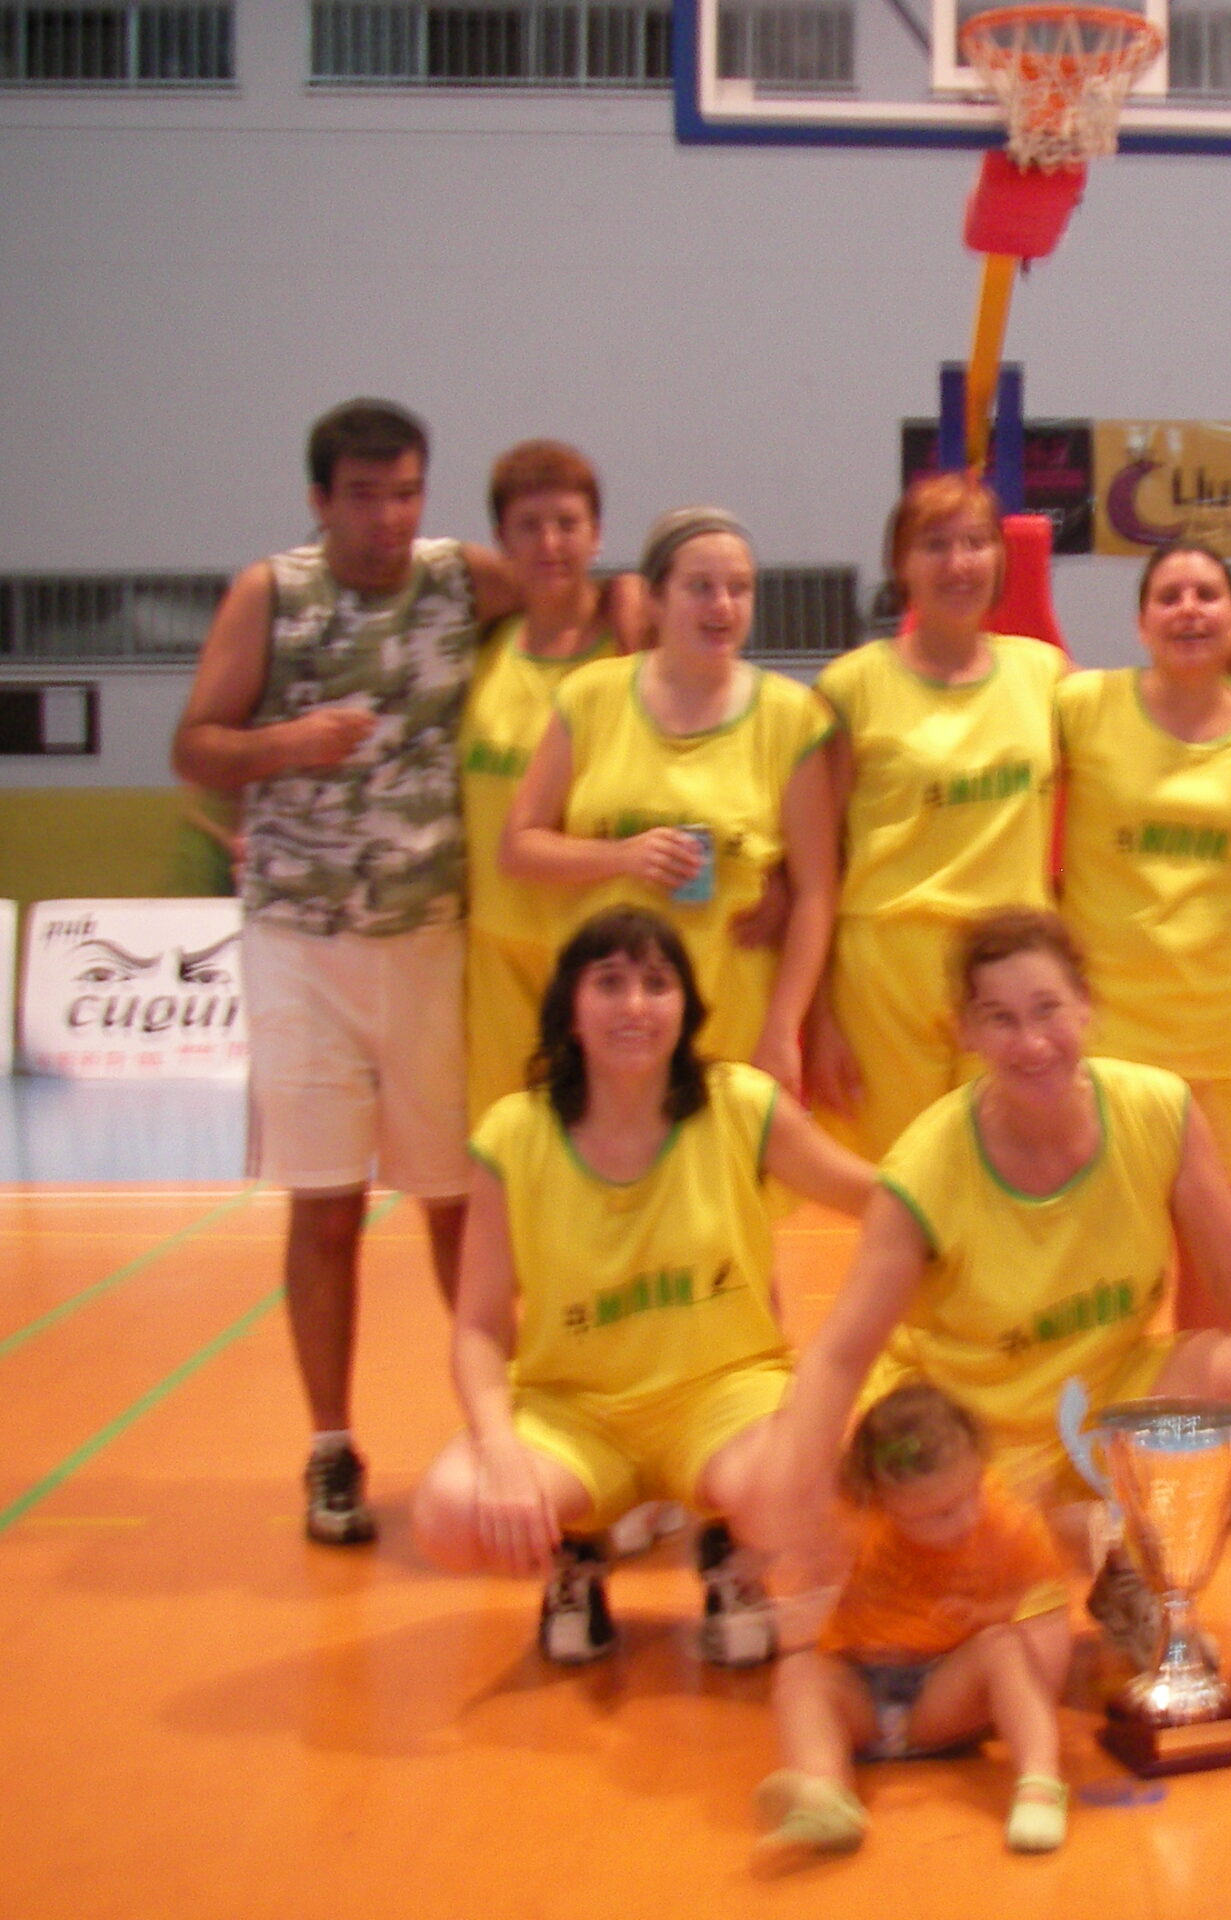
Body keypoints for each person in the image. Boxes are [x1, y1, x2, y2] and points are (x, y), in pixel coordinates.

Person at [172, 398, 537, 1545]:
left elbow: (573, 600)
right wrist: (284, 744)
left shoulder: (460, 580)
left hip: (432, 940)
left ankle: (505, 1432)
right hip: (301, 943)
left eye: (407, 492)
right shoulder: (271, 595)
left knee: (456, 1207)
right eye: (366, 496)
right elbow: (193, 745)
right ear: (321, 500)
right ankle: (331, 1448)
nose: (389, 517)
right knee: (325, 1209)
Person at [765, 910, 1231, 1655]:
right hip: (970, 1437)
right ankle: (1046, 1541)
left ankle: (1131, 1564)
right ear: (966, 1032)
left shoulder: (1158, 1111)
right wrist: (796, 1494)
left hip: (1098, 1409)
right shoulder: (926, 1169)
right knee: (962, 1639)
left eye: (1048, 1010)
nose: (1033, 1041)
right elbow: (838, 1356)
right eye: (1001, 1019)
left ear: (1087, 1007)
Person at [410, 907, 877, 1665]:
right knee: (449, 1514)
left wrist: (983, 1170)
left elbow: (875, 1197)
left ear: (685, 1008)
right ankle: (577, 1551)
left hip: (724, 1397)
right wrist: (498, 1447)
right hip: (574, 1413)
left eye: (657, 984)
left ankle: (733, 1556)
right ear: (569, 1010)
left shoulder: (739, 1104)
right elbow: (479, 1327)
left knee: (821, 1481)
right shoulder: (515, 1134)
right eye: (610, 983)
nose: (635, 1005)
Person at [504, 508, 838, 1094]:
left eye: (739, 589)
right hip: (606, 1021)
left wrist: (784, 1027)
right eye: (700, 587)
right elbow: (519, 848)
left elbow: (816, 891)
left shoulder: (792, 717)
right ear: (656, 599)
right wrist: (622, 856)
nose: (722, 606)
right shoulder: (589, 697)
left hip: (731, 1017)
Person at [811, 473, 1066, 1158]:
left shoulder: (1046, 675)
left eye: (976, 543)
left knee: (1008, 1179)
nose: (958, 563)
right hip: (889, 973)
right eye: (935, 545)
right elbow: (815, 863)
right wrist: (819, 1014)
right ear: (901, 565)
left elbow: (1153, 714)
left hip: (1012, 969)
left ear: (1001, 559)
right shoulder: (850, 686)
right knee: (899, 1184)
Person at [1053, 540, 1231, 1200]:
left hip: (1229, 1019)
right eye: (1169, 597)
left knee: (1222, 1240)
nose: (1189, 609)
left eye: (1207, 595)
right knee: (1111, 1232)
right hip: (1110, 1021)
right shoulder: (1082, 706)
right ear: (1141, 625)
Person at [756, 1383, 1072, 1862]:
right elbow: (792, 1572)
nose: (965, 1518)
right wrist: (803, 1578)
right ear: (879, 1501)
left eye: (971, 1492)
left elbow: (1041, 1590)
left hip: (941, 1697)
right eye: (937, 1515)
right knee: (799, 1674)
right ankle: (826, 1794)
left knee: (1004, 1646)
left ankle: (1040, 1785)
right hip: (860, 1693)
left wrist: (986, 1614)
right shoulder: (853, 1522)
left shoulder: (1003, 1518)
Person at [460, 440, 621, 1126]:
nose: (550, 544)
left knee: (604, 1148)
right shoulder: (478, 649)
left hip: (598, 947)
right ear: (502, 539)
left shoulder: (632, 650)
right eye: (529, 526)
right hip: (494, 947)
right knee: (504, 1149)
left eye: (567, 524)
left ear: (597, 534)